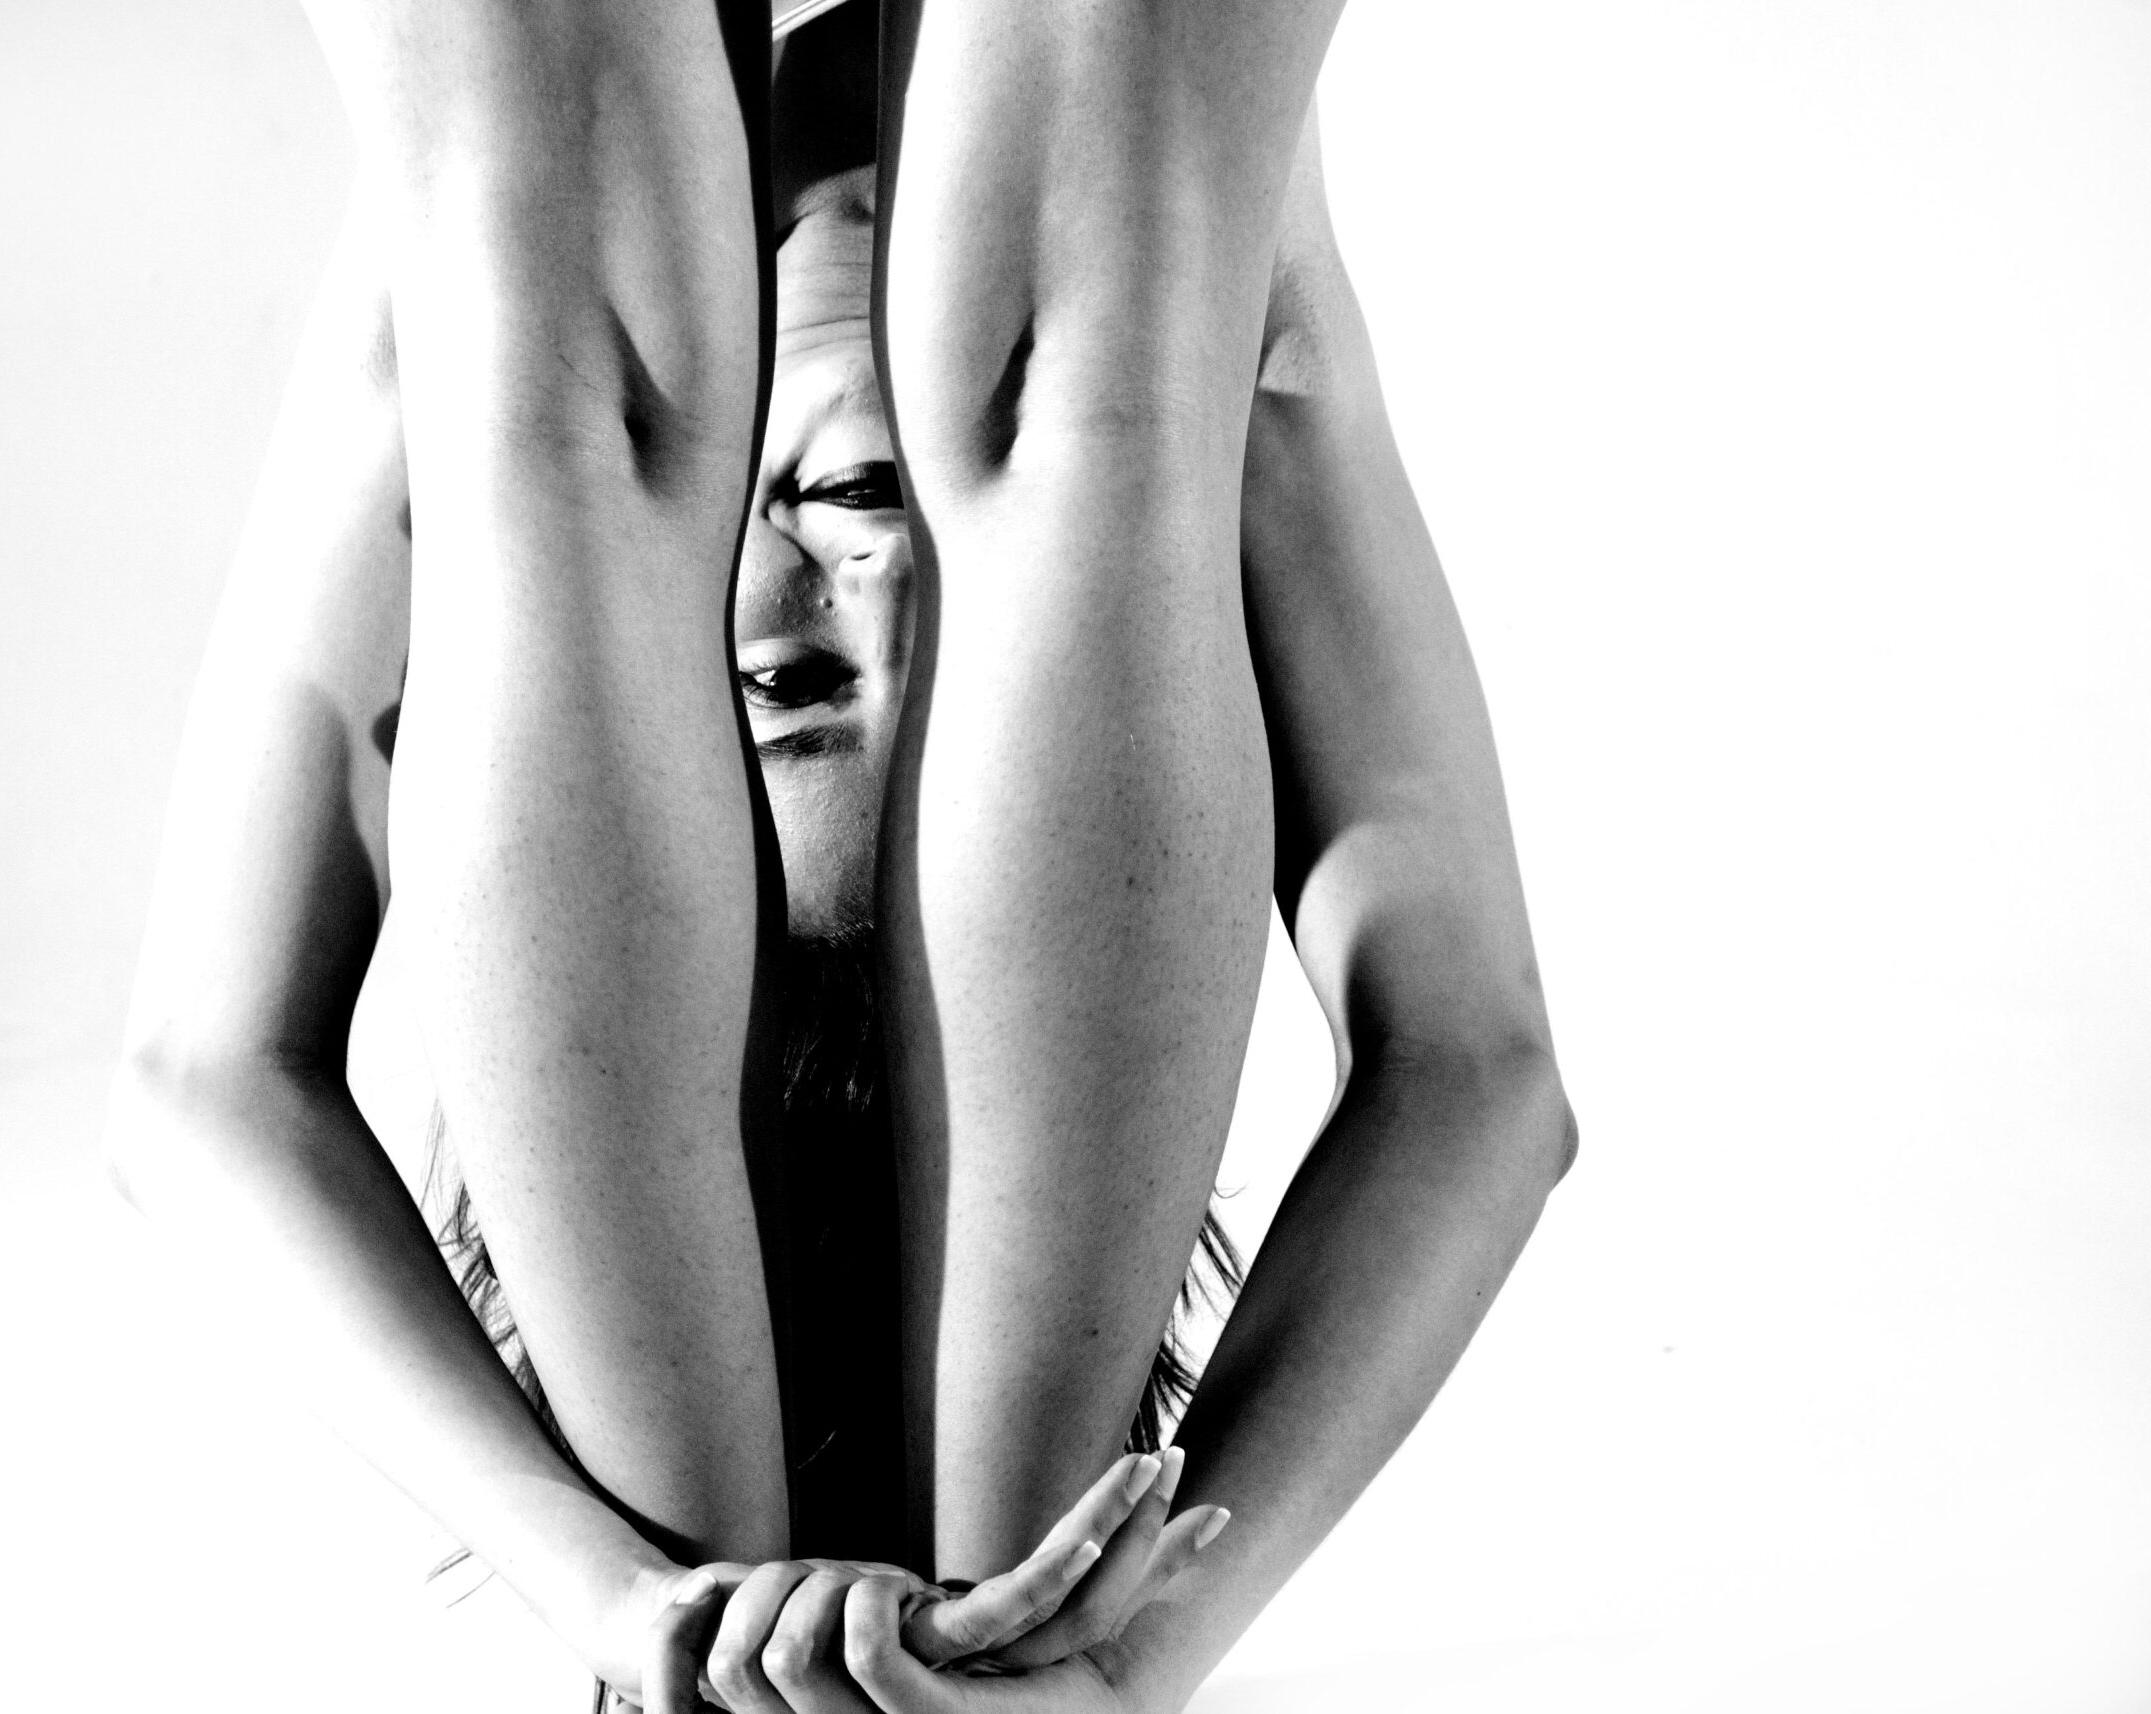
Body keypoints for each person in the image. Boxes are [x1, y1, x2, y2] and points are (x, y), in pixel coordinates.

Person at [108, 0, 1576, 1707]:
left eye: (727, 729)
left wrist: (614, 1586)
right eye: (871, 701)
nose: (774, 612)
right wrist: (1125, 1655)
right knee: (1080, 376)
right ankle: (1005, 1620)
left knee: (548, 376)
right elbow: (1473, 1068)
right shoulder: (1207, 331)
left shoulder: (463, 329)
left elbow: (205, 1074)